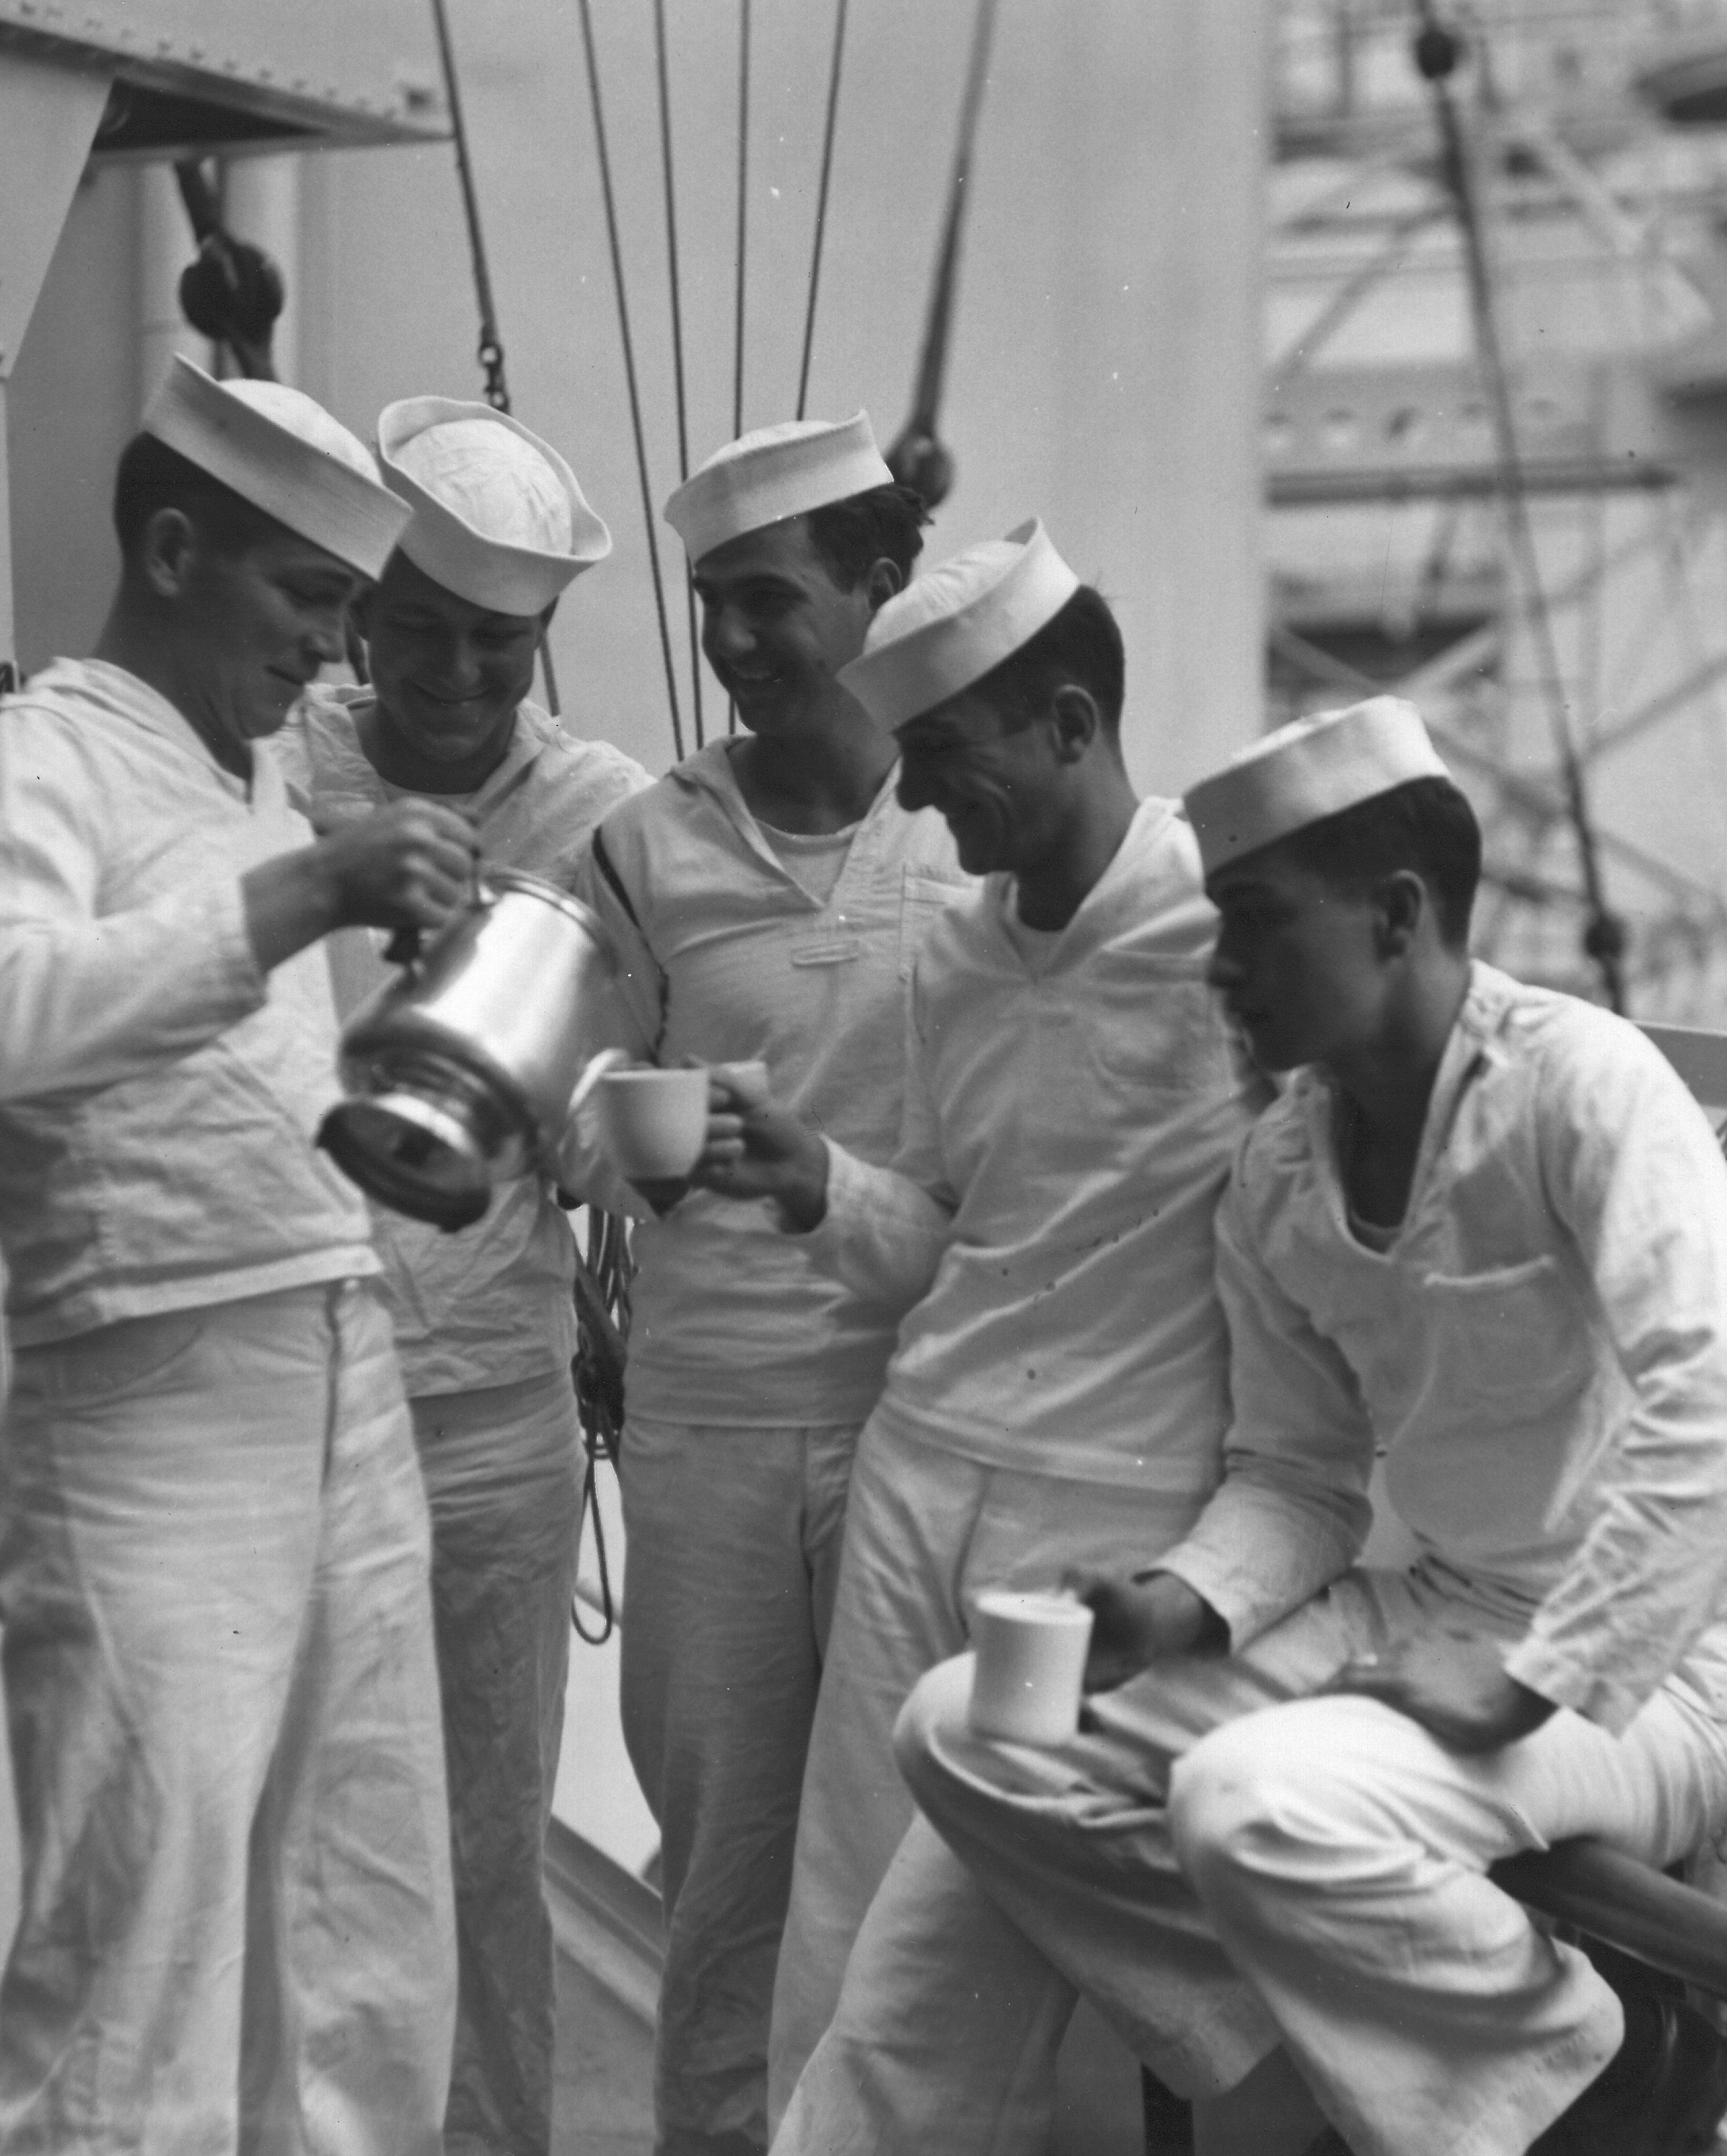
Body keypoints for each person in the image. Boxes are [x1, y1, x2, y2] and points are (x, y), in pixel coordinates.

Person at [774, 696, 1727, 2156]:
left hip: (1647, 1673)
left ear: (1395, 915)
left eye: (1255, 923)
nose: (1223, 969)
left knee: (1249, 1798)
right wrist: (1176, 1606)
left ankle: (1614, 2089)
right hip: (1428, 1612)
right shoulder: (1278, 1164)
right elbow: (1298, 1477)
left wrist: (1538, 1672)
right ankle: (1369, 2072)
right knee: (975, 1726)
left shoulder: (1582, 1087)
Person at [0, 358, 469, 2156]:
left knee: (358, 1909)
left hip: (337, 1367)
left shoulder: (243, 779)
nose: (331, 654)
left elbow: (221, 1098)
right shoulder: (37, 757)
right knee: (141, 1938)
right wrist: (307, 891)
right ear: (171, 548)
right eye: (308, 603)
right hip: (152, 1410)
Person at [683, 523, 1266, 2115]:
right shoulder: (952, 950)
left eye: (942, 753)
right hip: (916, 1483)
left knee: (1012, 1968)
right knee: (851, 1918)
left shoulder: (1236, 941)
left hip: (1096, 1530)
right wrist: (823, 1186)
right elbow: (947, 1236)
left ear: (1070, 725)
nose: (920, 801)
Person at [569, 412, 967, 2156]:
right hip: (713, 1424)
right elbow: (566, 1109)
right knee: (725, 1858)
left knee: (909, 1863)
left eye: (770, 600)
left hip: (929, 1411)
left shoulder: (970, 826)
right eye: (712, 604)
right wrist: (619, 1143)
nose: (734, 644)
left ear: (883, 583)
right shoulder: (646, 846)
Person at [269, 397, 649, 2156]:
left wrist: (605, 1131)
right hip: (279, 1380)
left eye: (493, 642)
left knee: (484, 1837)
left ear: (540, 643)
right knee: (296, 1818)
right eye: (414, 628)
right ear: (358, 616)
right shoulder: (271, 769)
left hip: (491, 1402)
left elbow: (654, 1077)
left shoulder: (606, 815)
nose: (450, 672)